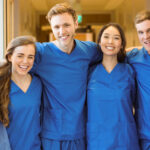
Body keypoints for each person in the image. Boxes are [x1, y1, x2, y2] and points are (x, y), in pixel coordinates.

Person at [31, 2, 101, 150]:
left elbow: (114, 51)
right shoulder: (41, 52)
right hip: (51, 136)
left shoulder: (89, 50)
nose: (62, 31)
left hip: (79, 134)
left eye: (66, 25)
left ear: (76, 24)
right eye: (56, 27)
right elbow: (14, 57)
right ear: (51, 27)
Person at [87, 23, 140, 150]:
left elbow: (136, 103)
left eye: (116, 38)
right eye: (106, 37)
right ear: (99, 41)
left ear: (121, 44)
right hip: (97, 140)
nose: (110, 41)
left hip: (125, 138)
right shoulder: (89, 72)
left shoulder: (129, 71)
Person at [0, 36, 42, 150]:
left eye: (30, 57)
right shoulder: (2, 85)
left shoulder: (38, 84)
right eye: (20, 56)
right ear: (10, 57)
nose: (25, 61)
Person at [127, 10, 150, 150]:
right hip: (144, 137)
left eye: (149, 30)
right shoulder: (134, 58)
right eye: (140, 32)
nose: (145, 36)